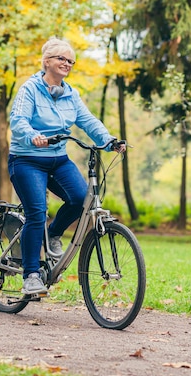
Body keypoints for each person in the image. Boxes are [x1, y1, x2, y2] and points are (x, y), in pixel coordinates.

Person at [9, 37, 126, 295]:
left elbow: (88, 121)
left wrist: (109, 141)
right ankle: (31, 275)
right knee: (37, 212)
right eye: (62, 58)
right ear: (47, 61)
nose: (67, 64)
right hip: (27, 159)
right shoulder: (29, 89)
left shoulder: (71, 95)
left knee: (81, 199)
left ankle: (54, 234)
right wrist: (32, 135)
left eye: (71, 61)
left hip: (57, 159)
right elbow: (18, 120)